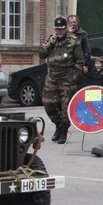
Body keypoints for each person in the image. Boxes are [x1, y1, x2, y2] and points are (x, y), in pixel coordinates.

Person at [38, 15, 85, 144]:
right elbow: (41, 54)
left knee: (66, 107)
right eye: (57, 29)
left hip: (66, 78)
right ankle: (58, 124)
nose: (59, 32)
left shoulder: (73, 41)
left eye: (61, 29)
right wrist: (50, 43)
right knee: (48, 103)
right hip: (52, 77)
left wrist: (73, 78)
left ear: (66, 28)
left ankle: (64, 130)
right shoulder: (52, 40)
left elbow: (80, 61)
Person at [68, 14, 91, 82]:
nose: (73, 24)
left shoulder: (83, 34)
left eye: (74, 22)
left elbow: (87, 50)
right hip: (68, 64)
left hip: (79, 64)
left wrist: (85, 64)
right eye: (71, 22)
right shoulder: (66, 34)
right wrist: (68, 34)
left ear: (77, 22)